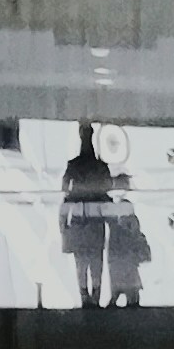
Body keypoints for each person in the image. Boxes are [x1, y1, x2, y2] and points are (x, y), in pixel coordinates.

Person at [59, 125, 117, 306]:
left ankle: (87, 297)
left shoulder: (74, 165)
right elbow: (108, 187)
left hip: (82, 220)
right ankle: (92, 297)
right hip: (93, 220)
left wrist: (64, 228)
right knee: (92, 263)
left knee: (84, 264)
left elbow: (64, 190)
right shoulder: (99, 166)